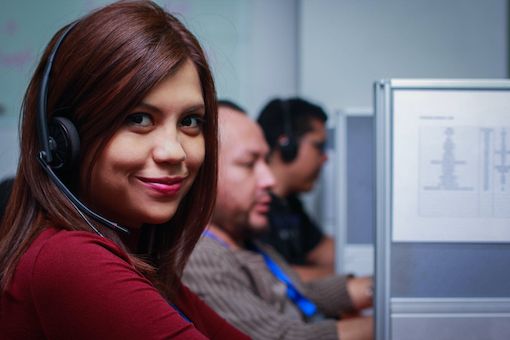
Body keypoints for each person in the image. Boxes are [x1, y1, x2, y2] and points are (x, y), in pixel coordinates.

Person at [0, 2, 248, 339]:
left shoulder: (135, 259)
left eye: (190, 121)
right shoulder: (70, 261)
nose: (174, 151)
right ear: (62, 138)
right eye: (139, 119)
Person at [182, 101, 373, 340]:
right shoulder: (199, 257)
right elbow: (283, 337)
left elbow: (300, 293)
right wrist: (390, 325)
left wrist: (382, 290)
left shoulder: (245, 237)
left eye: (265, 161)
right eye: (249, 164)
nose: (269, 179)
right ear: (203, 174)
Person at [257, 97, 335, 281]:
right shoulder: (256, 204)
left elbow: (328, 254)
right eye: (319, 147)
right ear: (287, 145)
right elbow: (272, 278)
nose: (325, 158)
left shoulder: (290, 203)